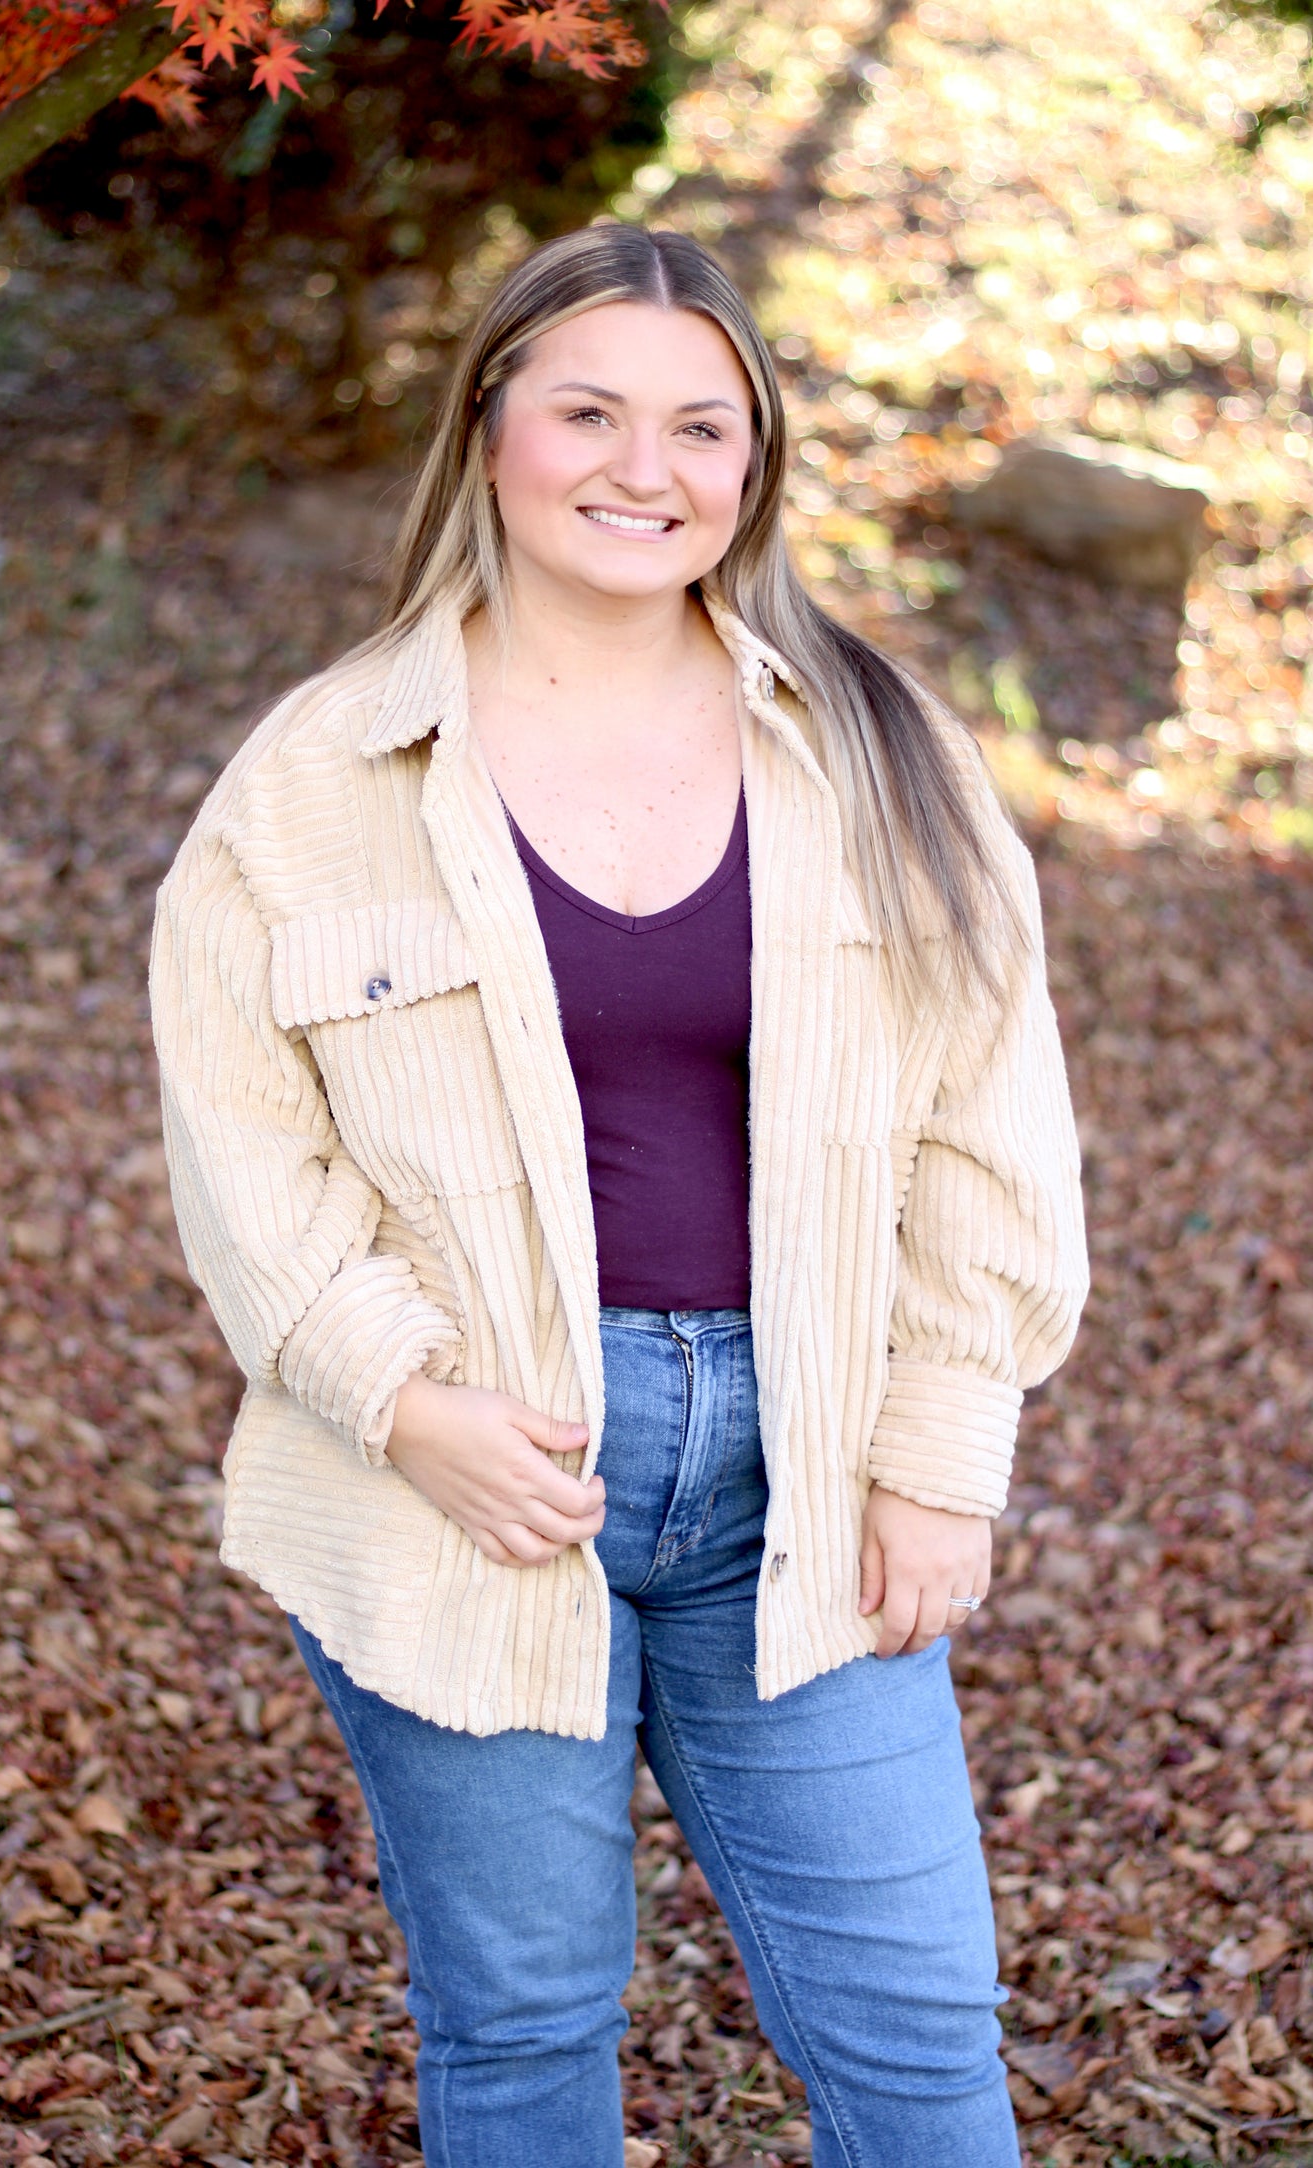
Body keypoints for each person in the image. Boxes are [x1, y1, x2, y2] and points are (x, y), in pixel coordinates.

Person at [149, 222, 1088, 2168]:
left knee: (920, 2042)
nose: (641, 468)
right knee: (523, 2022)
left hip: (810, 1482)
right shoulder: (316, 777)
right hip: (465, 1495)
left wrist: (943, 1446)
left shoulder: (879, 750)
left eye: (701, 426)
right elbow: (245, 1145)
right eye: (588, 409)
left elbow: (995, 1126)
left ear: (755, 469)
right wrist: (404, 1399)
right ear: (491, 426)